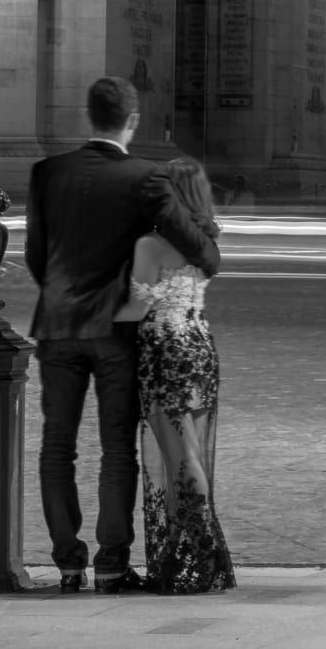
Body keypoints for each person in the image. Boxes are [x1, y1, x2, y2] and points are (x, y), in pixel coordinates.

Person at [25, 77, 221, 595]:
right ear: (132, 120)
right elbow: (201, 250)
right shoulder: (145, 177)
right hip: (116, 332)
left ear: (87, 116)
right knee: (116, 449)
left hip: (57, 326)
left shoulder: (47, 172)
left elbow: (35, 256)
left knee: (56, 448)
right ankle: (112, 565)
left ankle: (68, 563)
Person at [116, 158, 236, 595]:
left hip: (165, 353)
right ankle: (182, 560)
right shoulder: (205, 242)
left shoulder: (152, 245)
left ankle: (202, 559)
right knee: (189, 456)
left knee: (179, 459)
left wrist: (87, 313)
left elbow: (137, 307)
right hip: (200, 346)